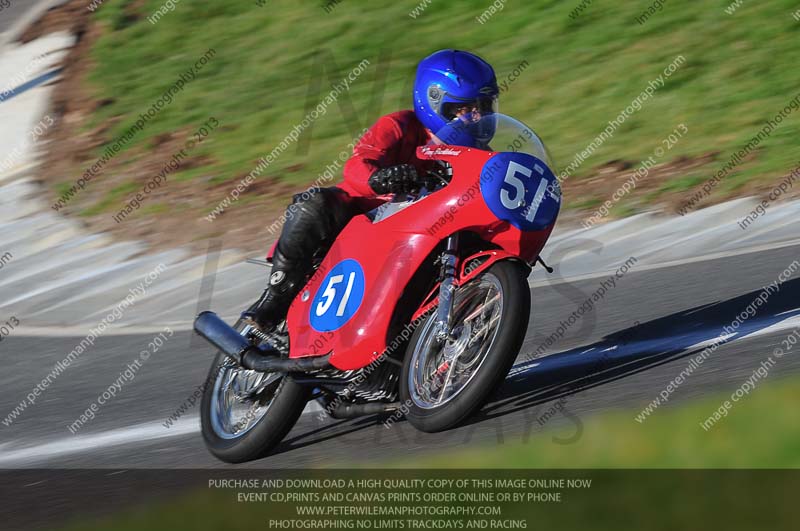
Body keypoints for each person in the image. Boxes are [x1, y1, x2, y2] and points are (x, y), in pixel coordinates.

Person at [252, 49, 499, 330]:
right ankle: (276, 296)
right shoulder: (399, 125)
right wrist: (380, 178)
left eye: (484, 107)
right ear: (435, 102)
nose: (477, 116)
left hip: (415, 237)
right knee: (314, 203)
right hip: (363, 220)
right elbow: (358, 163)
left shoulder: (479, 155)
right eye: (465, 108)